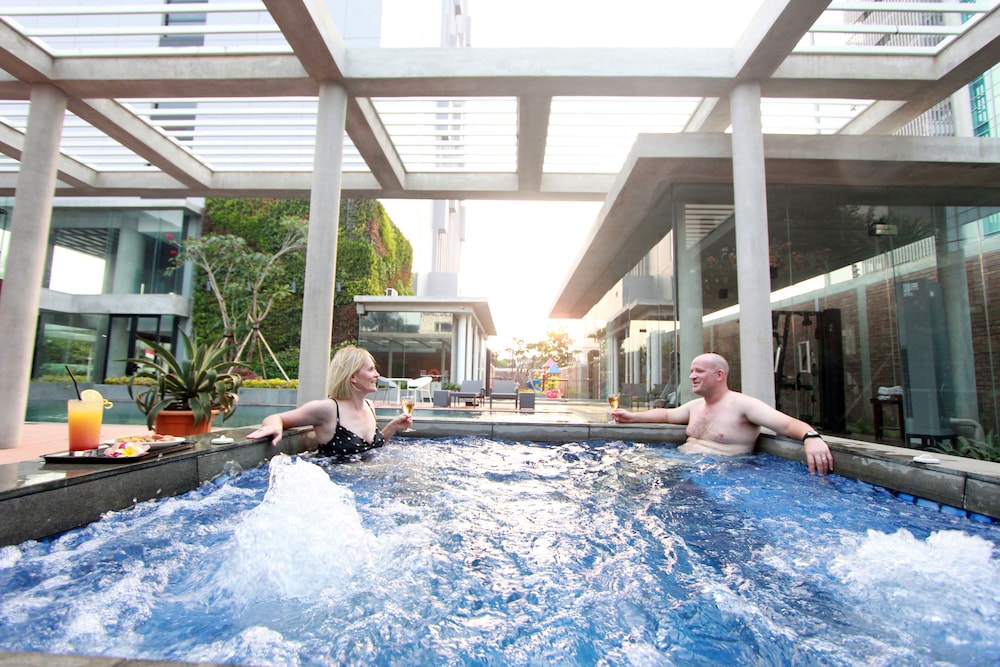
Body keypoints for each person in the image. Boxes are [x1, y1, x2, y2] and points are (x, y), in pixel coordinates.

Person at [611, 352, 834, 475]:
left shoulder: (743, 405)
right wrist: (632, 417)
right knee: (624, 464)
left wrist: (811, 437)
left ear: (719, 375)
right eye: (691, 371)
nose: (692, 376)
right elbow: (667, 415)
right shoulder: (696, 406)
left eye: (699, 371)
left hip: (720, 475)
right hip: (686, 465)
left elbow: (787, 424)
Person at [246, 345, 412, 457]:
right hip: (336, 487)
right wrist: (275, 427)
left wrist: (393, 427)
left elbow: (372, 449)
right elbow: (276, 418)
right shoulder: (329, 409)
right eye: (371, 369)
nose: (377, 374)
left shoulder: (369, 406)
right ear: (353, 377)